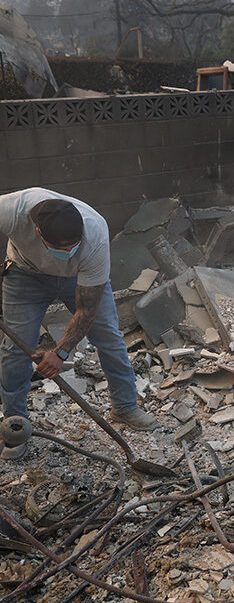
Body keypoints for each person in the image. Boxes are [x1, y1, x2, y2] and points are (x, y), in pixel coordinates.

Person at [0, 189, 156, 450]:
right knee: (15, 349)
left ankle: (125, 407)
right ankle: (15, 429)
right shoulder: (11, 211)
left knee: (108, 336)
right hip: (25, 274)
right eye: (63, 248)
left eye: (74, 245)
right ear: (38, 232)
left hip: (80, 278)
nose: (70, 251)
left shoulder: (94, 234)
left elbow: (86, 311)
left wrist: (60, 353)